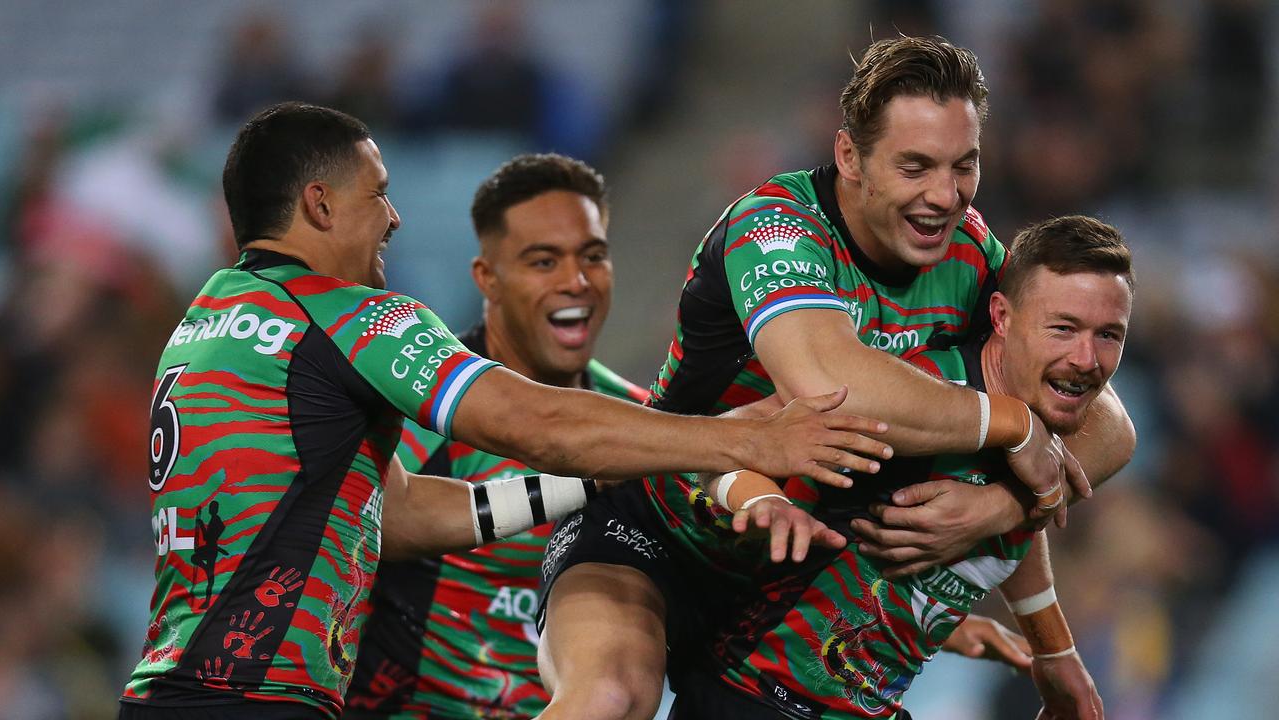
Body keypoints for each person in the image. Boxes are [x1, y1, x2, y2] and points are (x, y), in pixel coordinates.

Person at [117, 102, 889, 720]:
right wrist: (726, 440)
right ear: (319, 204)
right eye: (377, 192)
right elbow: (537, 424)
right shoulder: (349, 318)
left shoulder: (207, 322)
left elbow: (401, 513)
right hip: (259, 698)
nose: (394, 217)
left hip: (164, 689)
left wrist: (608, 482)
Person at [533, 36, 1135, 720]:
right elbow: (830, 381)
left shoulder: (970, 254)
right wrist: (1013, 425)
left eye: (962, 166)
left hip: (790, 585)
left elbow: (1102, 422)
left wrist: (1005, 517)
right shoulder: (776, 227)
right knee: (611, 697)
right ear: (850, 156)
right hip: (661, 536)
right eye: (915, 166)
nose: (944, 195)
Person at [669, 214, 1130, 719]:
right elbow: (730, 443)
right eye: (1063, 329)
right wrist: (764, 501)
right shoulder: (922, 399)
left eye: (1108, 335)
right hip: (759, 697)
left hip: (866, 706)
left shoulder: (1038, 435)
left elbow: (1019, 523)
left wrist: (1055, 651)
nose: (1087, 359)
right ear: (1001, 316)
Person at [340, 154, 644, 717]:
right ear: (487, 277)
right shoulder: (408, 413)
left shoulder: (643, 423)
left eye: (593, 256)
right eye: (544, 261)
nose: (575, 281)